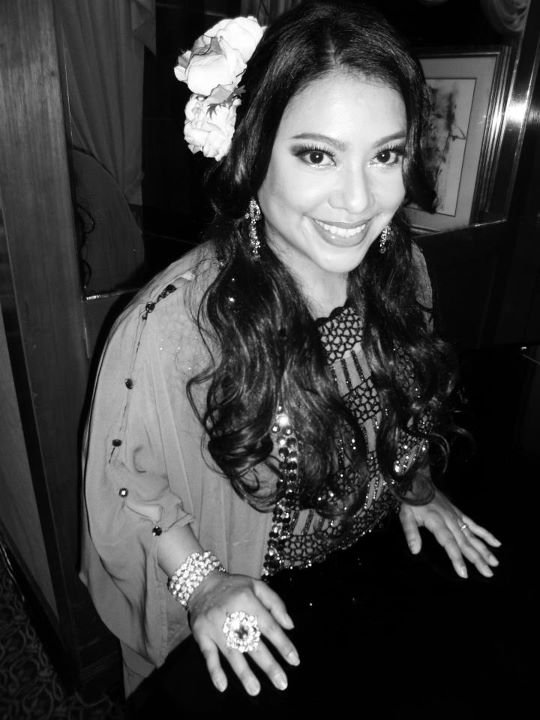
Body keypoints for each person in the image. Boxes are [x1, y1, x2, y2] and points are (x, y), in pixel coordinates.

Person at [80, 0, 501, 711]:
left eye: (386, 155)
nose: (359, 200)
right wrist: (205, 584)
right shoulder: (177, 323)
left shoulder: (402, 271)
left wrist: (414, 484)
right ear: (253, 152)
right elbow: (127, 481)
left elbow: (394, 403)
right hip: (255, 595)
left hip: (364, 585)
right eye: (317, 155)